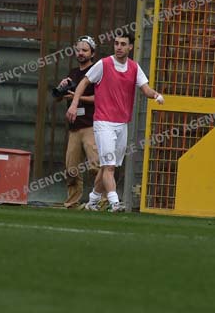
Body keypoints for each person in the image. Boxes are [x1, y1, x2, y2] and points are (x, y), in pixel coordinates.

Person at [67, 32, 163, 212]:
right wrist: (74, 104)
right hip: (103, 122)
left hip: (122, 124)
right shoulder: (103, 64)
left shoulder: (134, 67)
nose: (119, 47)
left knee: (107, 166)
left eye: (123, 44)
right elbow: (84, 82)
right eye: (116, 43)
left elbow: (145, 89)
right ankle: (115, 203)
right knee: (110, 166)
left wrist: (156, 95)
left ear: (130, 47)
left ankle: (92, 201)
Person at [54, 36, 100, 208]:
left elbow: (100, 98)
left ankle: (102, 201)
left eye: (85, 50)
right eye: (78, 50)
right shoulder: (72, 73)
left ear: (92, 53)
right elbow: (58, 99)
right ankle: (72, 203)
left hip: (91, 125)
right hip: (74, 127)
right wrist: (61, 88)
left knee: (96, 166)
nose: (80, 53)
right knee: (71, 169)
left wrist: (77, 97)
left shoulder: (96, 71)